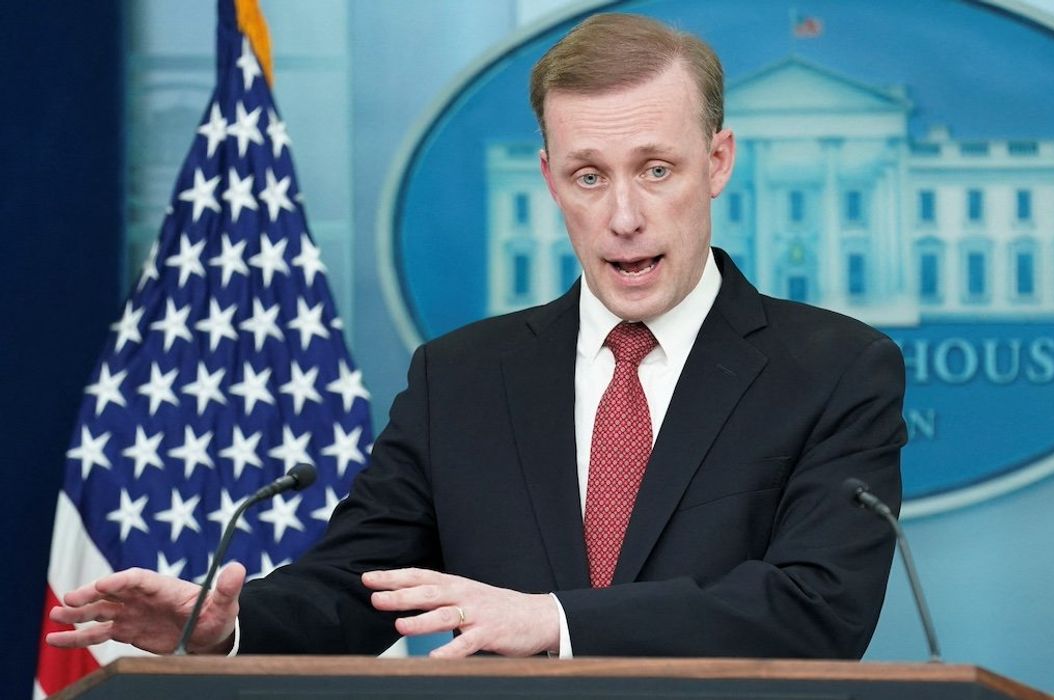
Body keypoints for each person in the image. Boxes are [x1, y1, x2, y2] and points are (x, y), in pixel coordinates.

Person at [47, 12, 905, 660]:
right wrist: (225, 627)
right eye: (587, 176)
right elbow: (359, 585)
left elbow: (815, 606)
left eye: (655, 170)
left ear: (715, 163)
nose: (623, 217)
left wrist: (556, 620)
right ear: (548, 178)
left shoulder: (832, 370)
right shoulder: (460, 378)